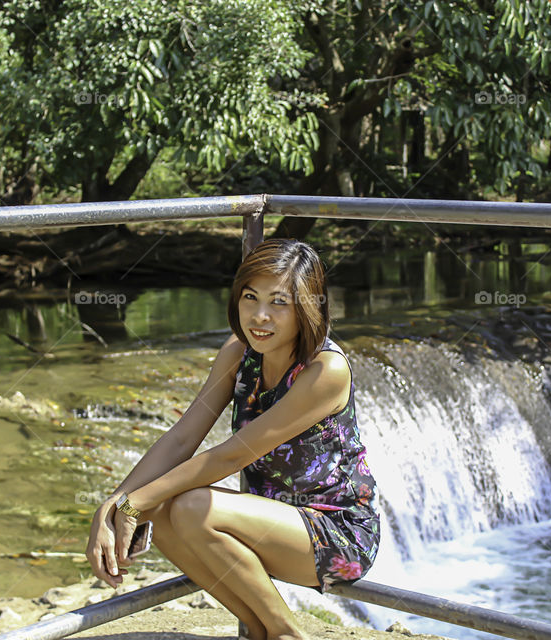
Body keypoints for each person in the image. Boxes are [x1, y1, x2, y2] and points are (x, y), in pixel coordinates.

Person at [86, 238, 380, 640]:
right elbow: (181, 438)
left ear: (307, 307)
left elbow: (231, 457)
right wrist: (112, 505)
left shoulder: (325, 370)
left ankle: (287, 633)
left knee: (187, 505)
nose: (259, 316)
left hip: (336, 531)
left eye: (279, 302)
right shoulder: (240, 352)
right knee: (163, 505)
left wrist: (132, 503)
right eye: (250, 297)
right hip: (269, 521)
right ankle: (263, 632)